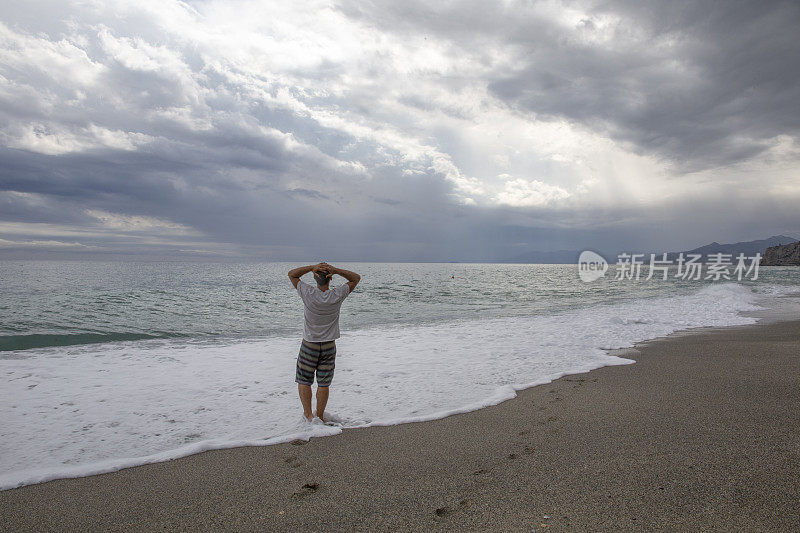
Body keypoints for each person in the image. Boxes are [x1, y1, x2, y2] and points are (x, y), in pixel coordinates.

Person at [288, 262, 360, 422]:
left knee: (304, 380)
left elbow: (292, 274)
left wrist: (312, 267)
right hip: (329, 345)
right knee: (324, 383)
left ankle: (308, 415)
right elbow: (355, 278)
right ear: (330, 279)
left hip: (310, 344)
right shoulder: (336, 295)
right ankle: (319, 416)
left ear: (314, 277)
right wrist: (335, 270)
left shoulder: (308, 293)